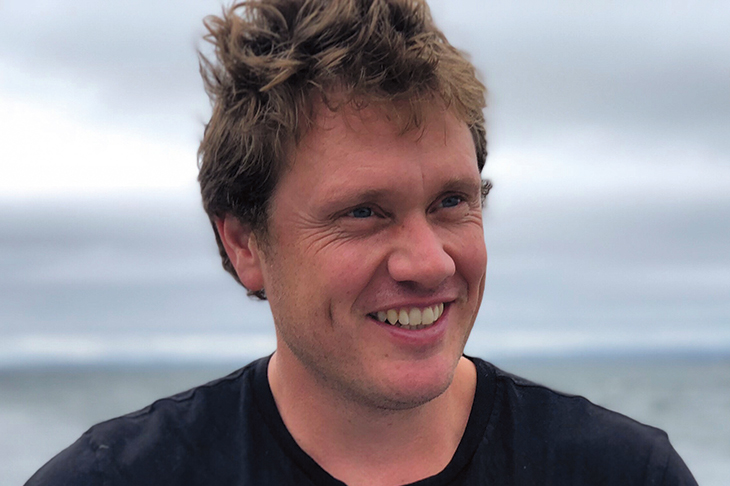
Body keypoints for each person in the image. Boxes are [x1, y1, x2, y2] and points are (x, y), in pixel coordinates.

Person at [26, 0, 697, 485]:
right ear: (244, 245)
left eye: (451, 203)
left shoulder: (623, 472)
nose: (428, 262)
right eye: (364, 212)